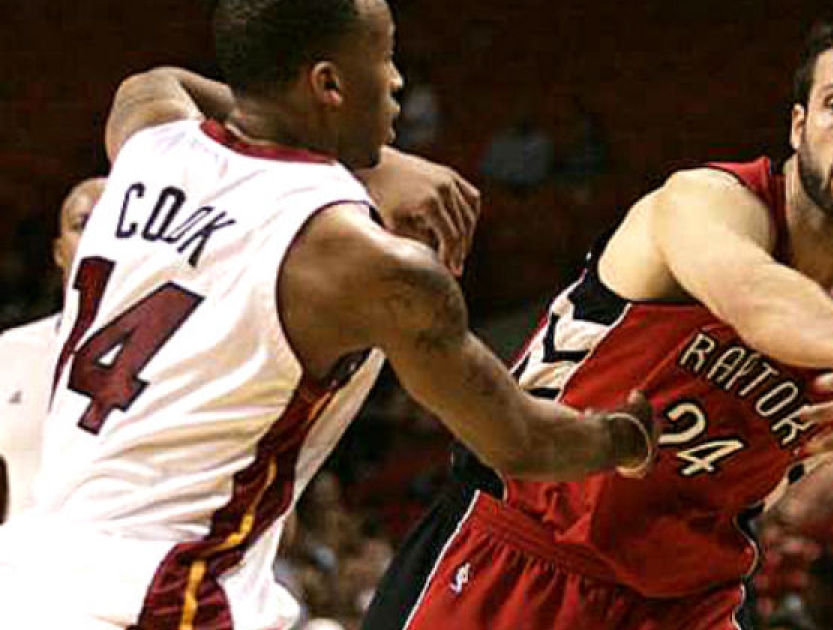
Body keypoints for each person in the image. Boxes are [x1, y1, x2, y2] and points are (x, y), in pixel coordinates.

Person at [0, 0, 657, 628]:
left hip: (31, 572)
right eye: (385, 57)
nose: (397, 80)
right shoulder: (362, 261)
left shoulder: (147, 139)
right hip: (161, 599)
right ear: (328, 83)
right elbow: (520, 441)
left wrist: (380, 161)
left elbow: (156, 80)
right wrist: (626, 438)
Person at [364, 4, 833, 630]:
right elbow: (751, 292)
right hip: (522, 544)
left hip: (687, 605)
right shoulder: (703, 202)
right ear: (798, 125)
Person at [0, 176, 104, 523]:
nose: (99, 234)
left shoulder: (177, 353)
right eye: (83, 224)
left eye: (114, 219)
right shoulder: (11, 350)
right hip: (19, 554)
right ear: (59, 252)